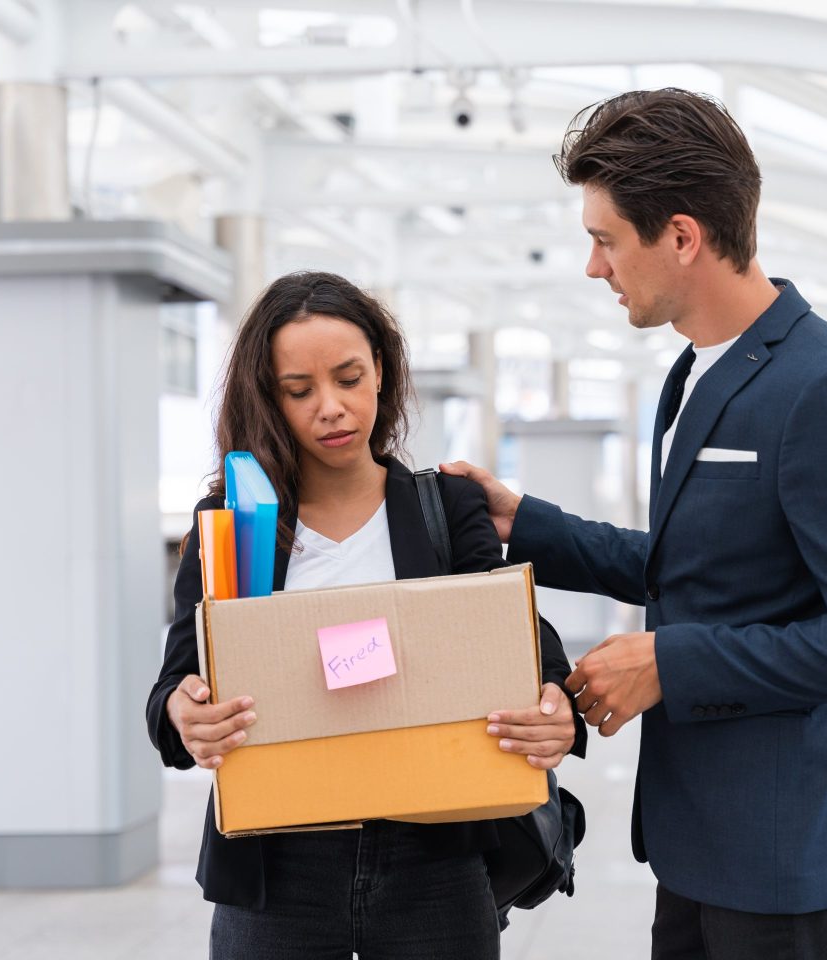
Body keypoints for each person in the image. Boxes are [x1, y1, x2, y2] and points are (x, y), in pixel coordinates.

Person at [441, 88, 827, 960]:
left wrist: (672, 661)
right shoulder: (694, 373)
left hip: (789, 863)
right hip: (699, 842)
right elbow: (702, 566)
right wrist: (528, 525)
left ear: (680, 236)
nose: (595, 267)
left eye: (604, 240)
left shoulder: (825, 390)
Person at [145, 271, 584, 960]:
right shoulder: (233, 524)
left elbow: (516, 630)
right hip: (276, 869)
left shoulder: (446, 510)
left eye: (349, 378)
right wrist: (183, 711)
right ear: (269, 398)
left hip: (434, 863)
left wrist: (557, 700)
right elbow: (176, 680)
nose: (331, 408)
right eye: (299, 391)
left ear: (381, 370)